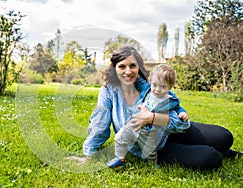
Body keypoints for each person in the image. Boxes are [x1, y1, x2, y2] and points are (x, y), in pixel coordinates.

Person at [80, 46, 241, 170]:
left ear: (139, 68)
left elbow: (179, 119)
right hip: (155, 146)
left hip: (170, 129)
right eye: (122, 66)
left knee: (224, 136)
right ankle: (219, 152)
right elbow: (100, 124)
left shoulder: (152, 88)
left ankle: (220, 148)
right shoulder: (109, 90)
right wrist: (89, 153)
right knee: (211, 157)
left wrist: (152, 118)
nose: (128, 71)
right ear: (114, 68)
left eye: (133, 66)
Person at [107, 64, 190, 168]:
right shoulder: (147, 89)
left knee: (149, 152)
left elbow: (178, 108)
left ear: (170, 87)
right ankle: (120, 159)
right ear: (151, 82)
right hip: (134, 123)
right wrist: (113, 76)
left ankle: (153, 165)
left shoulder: (170, 99)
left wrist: (182, 113)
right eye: (154, 85)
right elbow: (137, 79)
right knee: (119, 138)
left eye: (163, 86)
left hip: (150, 131)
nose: (157, 89)